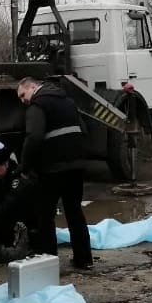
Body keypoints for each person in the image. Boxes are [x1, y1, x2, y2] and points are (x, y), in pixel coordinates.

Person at [17, 76, 93, 270]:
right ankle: (84, 259)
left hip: (53, 168)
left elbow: (33, 138)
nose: (23, 100)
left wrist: (24, 167)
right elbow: (84, 129)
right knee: (74, 212)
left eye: (23, 95)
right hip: (76, 166)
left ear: (33, 87)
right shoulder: (68, 101)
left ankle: (48, 262)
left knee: (45, 214)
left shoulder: (37, 105)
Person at [0, 149, 35, 247]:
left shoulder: (19, 177)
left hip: (24, 222)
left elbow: (10, 202)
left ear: (6, 164)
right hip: (6, 222)